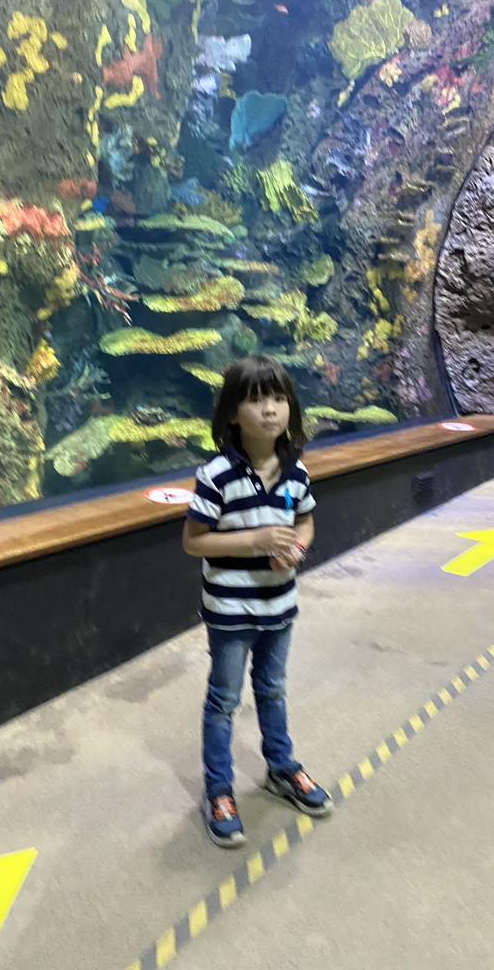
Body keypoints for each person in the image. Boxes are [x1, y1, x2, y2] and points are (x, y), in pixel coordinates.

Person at [183, 355, 333, 848]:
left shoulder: (296, 471)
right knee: (224, 700)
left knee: (272, 689)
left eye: (278, 398)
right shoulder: (217, 475)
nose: (269, 410)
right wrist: (251, 542)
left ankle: (281, 767)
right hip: (230, 611)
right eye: (254, 399)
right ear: (231, 413)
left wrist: (297, 548)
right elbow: (194, 542)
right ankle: (219, 789)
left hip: (280, 607)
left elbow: (306, 521)